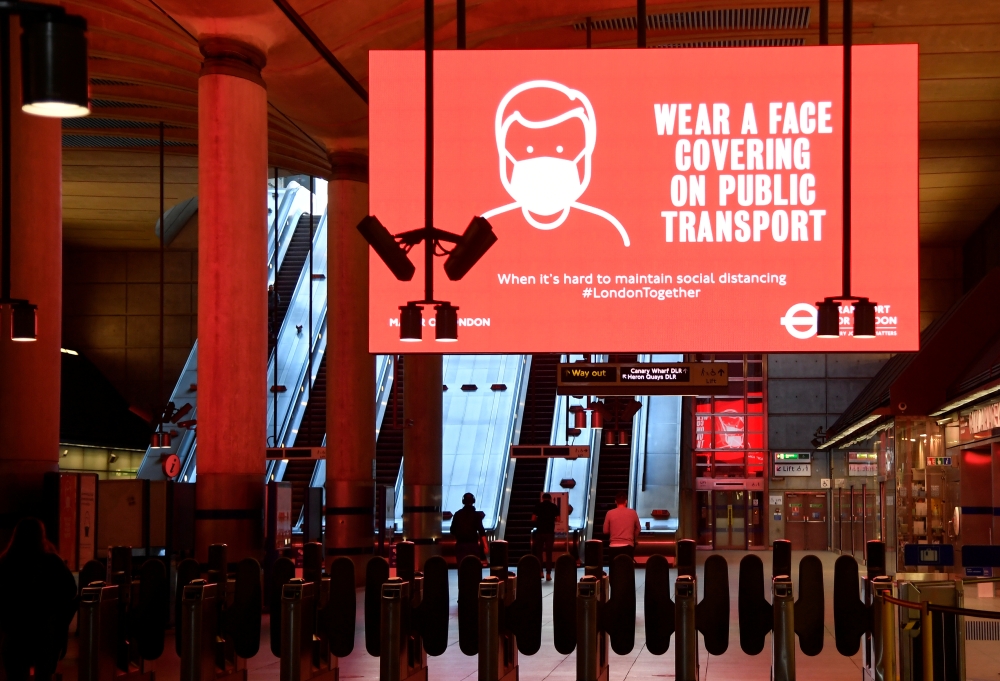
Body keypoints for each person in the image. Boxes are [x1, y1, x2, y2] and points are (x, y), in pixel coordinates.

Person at [0, 518, 78, 681]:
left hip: (14, 633)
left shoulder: (6, 563)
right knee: (43, 676)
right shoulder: (52, 562)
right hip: (45, 632)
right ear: (41, 536)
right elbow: (71, 590)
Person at [602, 492, 641, 563]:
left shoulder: (609, 513)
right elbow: (638, 528)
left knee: (614, 569)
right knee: (627, 569)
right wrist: (633, 538)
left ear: (615, 501)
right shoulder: (633, 513)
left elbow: (605, 531)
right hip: (628, 546)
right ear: (626, 501)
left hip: (613, 547)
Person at [451, 493, 488, 564]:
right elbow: (481, 531)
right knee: (473, 567)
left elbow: (452, 530)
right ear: (473, 501)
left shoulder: (457, 514)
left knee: (462, 567)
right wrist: (485, 546)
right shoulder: (476, 515)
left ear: (463, 501)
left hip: (461, 545)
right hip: (473, 546)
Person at [531, 493, 560, 581]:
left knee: (539, 553)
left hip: (540, 532)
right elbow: (558, 519)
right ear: (550, 499)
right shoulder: (554, 506)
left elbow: (533, 518)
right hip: (550, 532)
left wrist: (540, 520)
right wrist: (551, 519)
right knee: (549, 553)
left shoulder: (538, 506)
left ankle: (540, 572)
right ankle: (548, 574)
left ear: (542, 498)